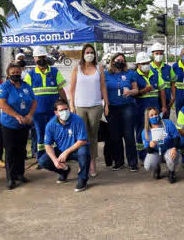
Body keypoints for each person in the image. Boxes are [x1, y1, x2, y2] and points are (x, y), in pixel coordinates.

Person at [69, 44, 109, 177]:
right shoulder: (77, 69)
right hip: (80, 106)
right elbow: (72, 89)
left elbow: (103, 87)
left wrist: (106, 104)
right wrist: (72, 105)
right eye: (87, 52)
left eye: (92, 52)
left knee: (93, 136)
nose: (89, 54)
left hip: (95, 106)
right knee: (81, 136)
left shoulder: (99, 68)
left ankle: (92, 164)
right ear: (83, 54)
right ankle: (82, 164)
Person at [0, 63, 37, 190]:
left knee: (21, 150)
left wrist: (30, 115)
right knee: (10, 151)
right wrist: (16, 115)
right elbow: (1, 104)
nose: (16, 74)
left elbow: (34, 101)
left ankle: (20, 174)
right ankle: (10, 177)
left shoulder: (26, 86)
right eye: (13, 73)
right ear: (8, 74)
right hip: (9, 124)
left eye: (17, 72)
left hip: (24, 124)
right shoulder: (4, 87)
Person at [24, 46, 67, 162]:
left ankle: (58, 156)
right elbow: (26, 94)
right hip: (37, 113)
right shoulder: (30, 74)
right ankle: (42, 157)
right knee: (40, 134)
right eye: (39, 57)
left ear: (46, 57)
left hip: (53, 112)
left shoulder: (54, 72)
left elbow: (61, 90)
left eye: (43, 57)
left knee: (56, 132)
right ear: (34, 59)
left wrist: (66, 105)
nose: (41, 59)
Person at [38, 99, 91, 192]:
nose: (65, 112)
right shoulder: (50, 125)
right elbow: (48, 145)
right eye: (61, 110)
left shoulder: (77, 120)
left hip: (76, 149)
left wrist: (66, 152)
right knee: (43, 161)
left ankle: (83, 179)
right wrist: (55, 160)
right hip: (61, 150)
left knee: (84, 152)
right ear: (56, 113)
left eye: (66, 109)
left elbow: (82, 140)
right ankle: (64, 171)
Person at [104, 53, 139, 171]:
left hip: (127, 106)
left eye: (122, 60)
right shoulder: (106, 74)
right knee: (115, 136)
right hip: (112, 108)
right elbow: (102, 90)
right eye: (118, 59)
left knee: (129, 135)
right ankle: (119, 162)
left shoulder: (130, 73)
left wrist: (130, 92)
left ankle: (132, 162)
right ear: (112, 61)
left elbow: (136, 90)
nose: (120, 61)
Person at [134, 51, 167, 163]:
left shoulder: (155, 73)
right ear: (138, 65)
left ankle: (160, 153)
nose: (146, 65)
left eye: (147, 62)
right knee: (141, 132)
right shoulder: (134, 76)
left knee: (158, 129)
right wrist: (144, 90)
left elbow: (162, 90)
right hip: (140, 109)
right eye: (143, 63)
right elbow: (133, 93)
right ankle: (143, 156)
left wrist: (164, 106)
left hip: (155, 109)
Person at [141, 107, 180, 183]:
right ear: (147, 118)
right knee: (148, 166)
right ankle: (157, 167)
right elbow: (147, 150)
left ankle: (171, 172)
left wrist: (175, 148)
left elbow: (177, 137)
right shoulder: (145, 132)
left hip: (168, 149)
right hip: (156, 152)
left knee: (171, 157)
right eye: (151, 115)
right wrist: (150, 146)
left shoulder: (168, 123)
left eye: (156, 114)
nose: (154, 116)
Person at [150, 42, 176, 119]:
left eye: (161, 53)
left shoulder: (168, 68)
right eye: (156, 53)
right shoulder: (149, 68)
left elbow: (173, 83)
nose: (159, 55)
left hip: (167, 99)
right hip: (154, 100)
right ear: (152, 54)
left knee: (165, 120)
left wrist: (173, 97)